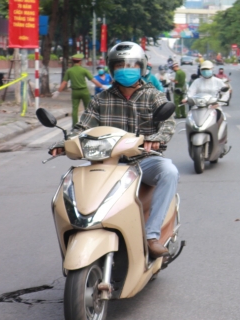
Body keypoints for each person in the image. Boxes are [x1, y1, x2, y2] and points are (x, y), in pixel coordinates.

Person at [49, 42, 177, 258]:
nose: (126, 69)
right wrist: (64, 143)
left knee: (169, 171)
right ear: (112, 69)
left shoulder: (153, 96)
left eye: (132, 65)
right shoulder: (101, 99)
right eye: (120, 65)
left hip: (143, 160)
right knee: (69, 181)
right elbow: (82, 127)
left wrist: (156, 138)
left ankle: (151, 235)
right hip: (106, 163)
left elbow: (168, 123)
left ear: (142, 67)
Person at [58, 53, 104, 119]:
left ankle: (74, 126)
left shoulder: (69, 71)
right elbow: (93, 80)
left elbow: (64, 83)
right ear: (80, 61)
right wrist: (102, 86)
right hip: (84, 91)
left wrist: (58, 91)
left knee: (75, 109)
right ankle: (88, 123)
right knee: (88, 108)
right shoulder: (84, 70)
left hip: (75, 92)